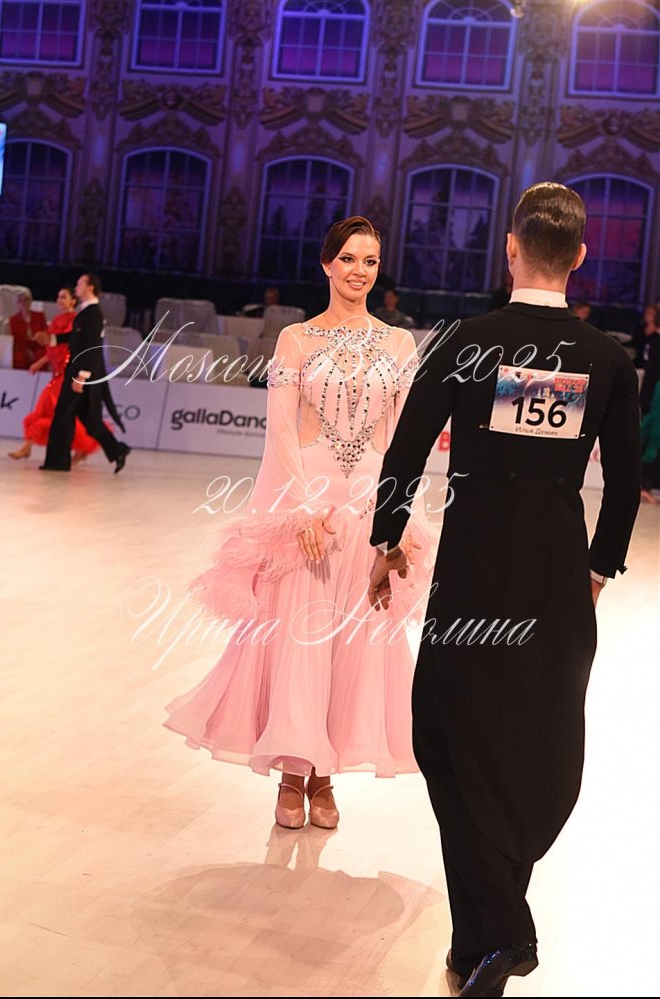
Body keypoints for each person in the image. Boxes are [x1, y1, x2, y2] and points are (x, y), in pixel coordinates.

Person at [367, 183, 641, 996]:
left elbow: (406, 452)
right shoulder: (607, 359)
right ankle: (477, 943)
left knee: (447, 739)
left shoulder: (466, 340)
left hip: (472, 575)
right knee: (531, 751)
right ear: (579, 257)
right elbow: (625, 487)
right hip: (559, 583)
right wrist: (598, 570)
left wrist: (385, 540)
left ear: (511, 248)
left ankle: (503, 934)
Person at [164, 216, 437, 829]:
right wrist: (299, 509)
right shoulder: (295, 339)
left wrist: (397, 519)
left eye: (370, 260)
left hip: (370, 505)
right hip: (308, 508)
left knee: (351, 645)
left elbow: (405, 439)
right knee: (300, 643)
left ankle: (325, 775)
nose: (359, 271)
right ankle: (293, 772)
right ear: (326, 264)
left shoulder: (400, 344)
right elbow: (281, 433)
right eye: (349, 259)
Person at [8, 287, 115, 463]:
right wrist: (40, 362)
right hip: (57, 372)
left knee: (57, 410)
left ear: (73, 301)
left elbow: (73, 345)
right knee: (48, 410)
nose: (60, 300)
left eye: (64, 297)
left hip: (68, 372)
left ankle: (79, 449)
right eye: (58, 297)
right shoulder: (58, 320)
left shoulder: (77, 320)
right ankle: (28, 446)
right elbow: (52, 348)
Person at [36, 273, 130, 473]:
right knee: (89, 419)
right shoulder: (87, 312)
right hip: (81, 370)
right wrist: (52, 340)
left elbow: (92, 346)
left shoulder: (93, 314)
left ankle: (58, 462)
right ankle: (117, 450)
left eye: (80, 284)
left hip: (82, 372)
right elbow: (76, 338)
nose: (77, 287)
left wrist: (82, 376)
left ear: (90, 288)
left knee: (63, 414)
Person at [9, 290, 47, 369]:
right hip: (23, 347)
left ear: (30, 301)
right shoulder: (13, 320)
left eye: (26, 300)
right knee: (19, 357)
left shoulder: (40, 316)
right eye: (20, 300)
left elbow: (45, 333)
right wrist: (27, 351)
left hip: (38, 346)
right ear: (17, 304)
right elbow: (16, 340)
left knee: (41, 354)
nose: (23, 303)